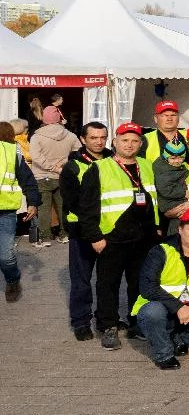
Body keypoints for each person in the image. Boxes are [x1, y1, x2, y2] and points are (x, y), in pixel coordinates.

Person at [75, 122, 159, 348]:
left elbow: (153, 199)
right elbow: (87, 207)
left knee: (138, 284)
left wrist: (156, 229)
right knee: (108, 284)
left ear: (140, 144)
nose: (129, 145)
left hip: (142, 239)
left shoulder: (146, 165)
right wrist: (95, 237)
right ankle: (108, 326)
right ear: (115, 142)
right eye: (124, 140)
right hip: (111, 237)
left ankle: (135, 323)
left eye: (134, 141)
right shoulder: (100, 168)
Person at [131, 207, 189, 370]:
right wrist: (179, 307)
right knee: (152, 313)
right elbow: (147, 287)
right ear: (180, 229)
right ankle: (164, 354)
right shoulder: (161, 251)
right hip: (163, 308)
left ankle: (177, 338)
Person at [60, 120, 109, 340]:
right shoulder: (73, 166)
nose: (99, 142)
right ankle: (80, 321)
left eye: (102, 137)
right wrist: (92, 228)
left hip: (109, 230)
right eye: (93, 138)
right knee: (81, 280)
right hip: (82, 231)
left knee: (107, 280)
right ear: (83, 139)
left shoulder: (113, 160)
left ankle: (105, 319)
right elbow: (72, 202)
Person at [0, 119, 40, 304]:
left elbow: (27, 179)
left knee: (6, 255)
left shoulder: (12, 152)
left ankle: (13, 279)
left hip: (5, 212)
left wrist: (33, 202)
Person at [27, 105, 76, 248]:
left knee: (44, 209)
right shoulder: (70, 135)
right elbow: (78, 153)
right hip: (62, 176)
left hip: (42, 176)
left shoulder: (37, 136)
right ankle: (64, 234)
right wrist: (62, 167)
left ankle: (45, 237)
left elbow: (35, 157)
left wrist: (52, 167)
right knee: (63, 206)